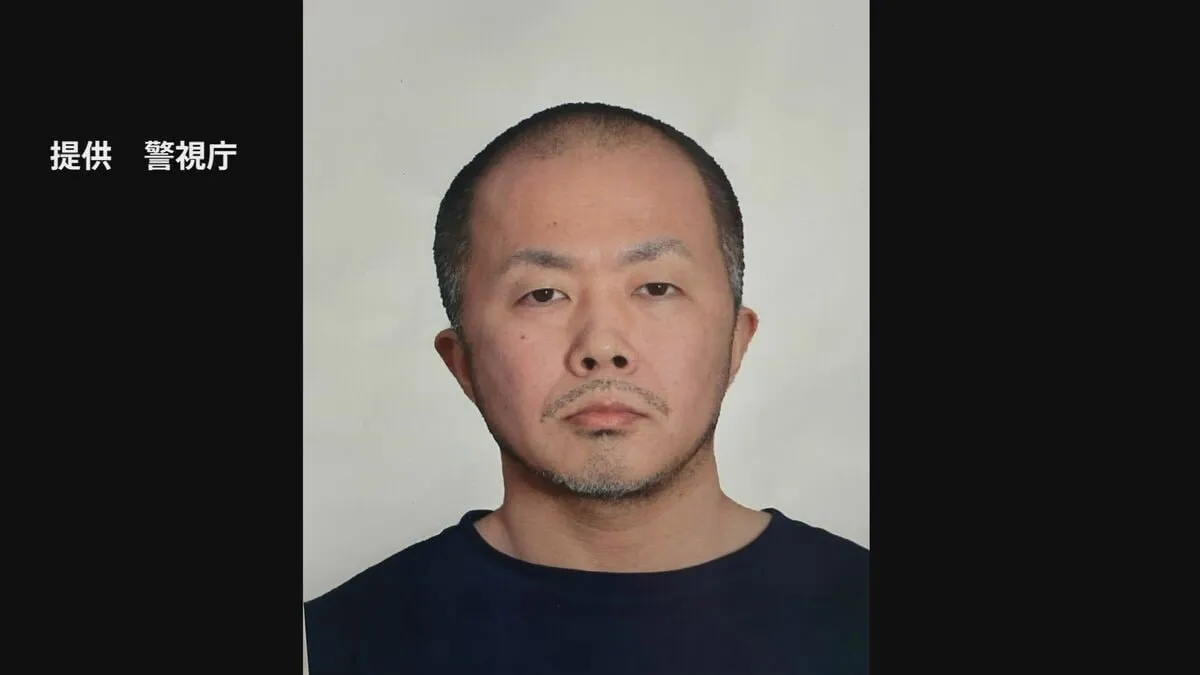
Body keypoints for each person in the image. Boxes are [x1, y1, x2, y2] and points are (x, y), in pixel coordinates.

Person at [303, 101, 868, 674]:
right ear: (462, 362)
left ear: (735, 341)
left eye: (655, 288)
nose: (602, 345)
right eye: (543, 294)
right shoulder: (330, 647)